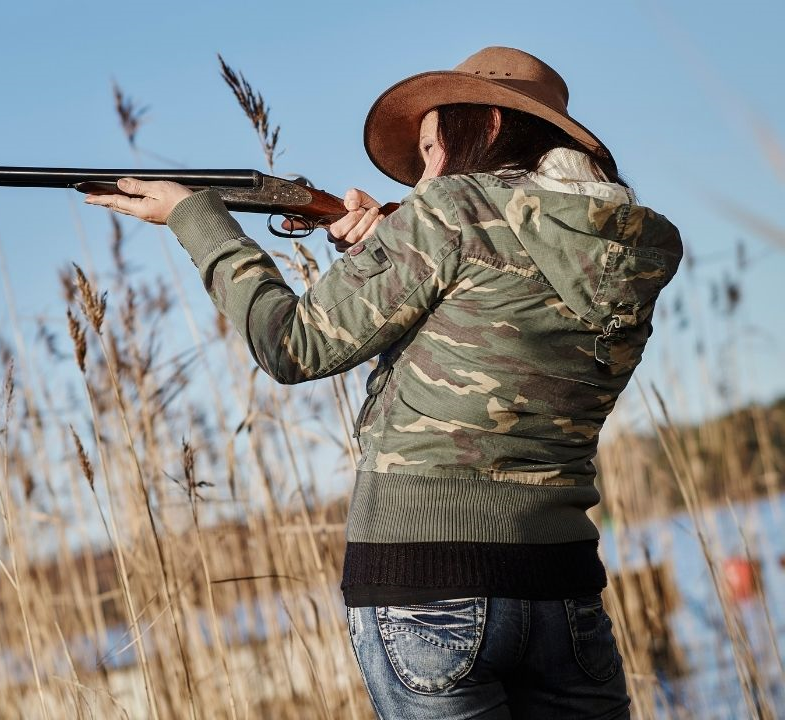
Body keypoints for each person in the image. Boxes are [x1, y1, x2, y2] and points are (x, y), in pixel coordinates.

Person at [86, 46, 680, 719]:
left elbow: (293, 346)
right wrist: (386, 250)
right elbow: (494, 307)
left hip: (427, 588)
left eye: (432, 147)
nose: (428, 171)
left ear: (484, 124)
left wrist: (199, 220)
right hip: (564, 591)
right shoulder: (629, 249)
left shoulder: (450, 211)